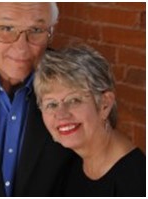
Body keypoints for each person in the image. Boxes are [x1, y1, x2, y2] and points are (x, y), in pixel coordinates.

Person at [0, 3, 78, 197]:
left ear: (51, 31)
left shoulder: (75, 90)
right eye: (7, 28)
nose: (21, 48)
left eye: (36, 30)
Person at [33, 45, 146, 197]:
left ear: (104, 104)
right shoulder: (67, 165)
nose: (61, 114)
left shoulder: (137, 181)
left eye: (74, 100)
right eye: (51, 104)